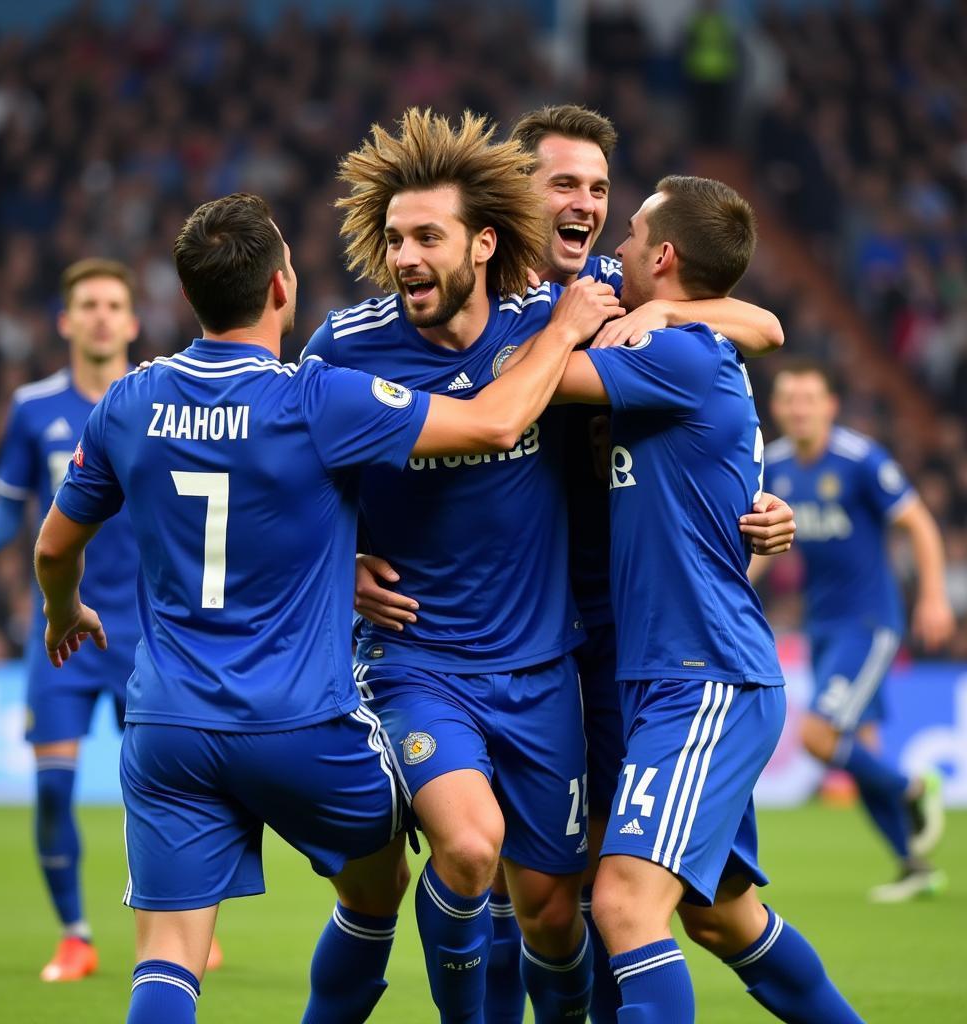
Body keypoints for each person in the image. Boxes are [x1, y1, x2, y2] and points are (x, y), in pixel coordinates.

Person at [33, 191, 620, 1024]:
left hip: (165, 726)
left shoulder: (128, 401)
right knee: (380, 889)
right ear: (282, 287)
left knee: (166, 962)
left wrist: (64, 613)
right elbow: (492, 424)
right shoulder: (317, 397)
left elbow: (55, 548)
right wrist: (562, 331)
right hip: (303, 728)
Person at [311, 107, 790, 1024]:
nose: (585, 206)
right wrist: (344, 563)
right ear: (510, 205)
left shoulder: (603, 293)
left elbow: (755, 324)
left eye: (601, 190)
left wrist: (649, 311)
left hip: (583, 650)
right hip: (443, 645)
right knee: (483, 862)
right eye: (564, 183)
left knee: (591, 907)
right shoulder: (355, 339)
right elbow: (301, 471)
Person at [518, 175, 864, 1023]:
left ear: (664, 256)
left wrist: (575, 323)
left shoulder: (676, 354)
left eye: (632, 232)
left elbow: (535, 380)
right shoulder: (678, 340)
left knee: (626, 906)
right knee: (720, 917)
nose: (619, 245)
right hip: (669, 674)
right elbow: (757, 322)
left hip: (700, 675)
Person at [0, 259, 154, 982]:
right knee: (52, 789)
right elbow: (11, 500)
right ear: (66, 323)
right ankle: (75, 934)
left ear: (132, 322)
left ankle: (175, 919)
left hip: (146, 633)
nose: (101, 316)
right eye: (88, 305)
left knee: (164, 789)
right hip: (62, 630)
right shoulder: (35, 408)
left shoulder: (157, 401)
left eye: (113, 305)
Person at [752, 361, 953, 901]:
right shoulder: (774, 464)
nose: (798, 408)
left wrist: (933, 595)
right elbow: (768, 547)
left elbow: (919, 524)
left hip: (869, 622)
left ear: (829, 406)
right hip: (823, 623)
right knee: (860, 746)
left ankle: (913, 787)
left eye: (809, 399)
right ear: (777, 408)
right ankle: (913, 865)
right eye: (790, 399)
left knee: (819, 737)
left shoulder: (861, 460)